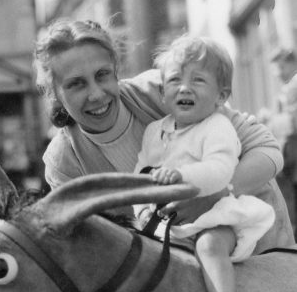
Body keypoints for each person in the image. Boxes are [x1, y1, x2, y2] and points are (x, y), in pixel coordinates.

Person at [34, 18, 294, 254]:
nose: (96, 94)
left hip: (260, 243)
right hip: (180, 278)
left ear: (115, 70)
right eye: (76, 84)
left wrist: (211, 196)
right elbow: (93, 249)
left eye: (102, 75)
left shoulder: (163, 90)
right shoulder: (63, 163)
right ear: (55, 92)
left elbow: (267, 150)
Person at [133, 36, 275, 292]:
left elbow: (220, 170)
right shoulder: (153, 132)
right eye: (174, 80)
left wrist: (182, 177)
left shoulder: (216, 126)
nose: (184, 87)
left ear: (220, 96)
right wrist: (142, 206)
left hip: (215, 215)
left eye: (198, 80)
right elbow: (141, 173)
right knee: (146, 256)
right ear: (163, 93)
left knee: (210, 246)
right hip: (170, 222)